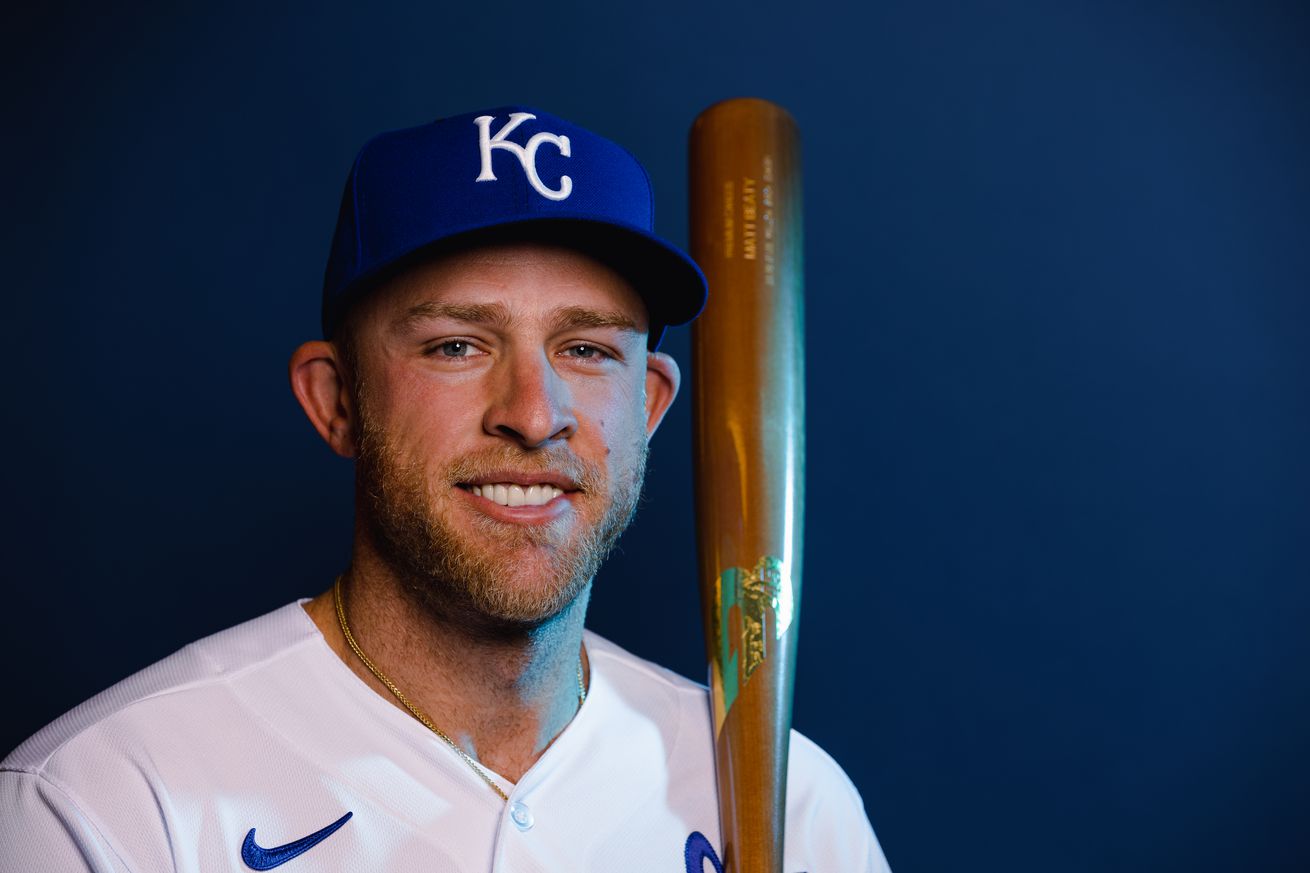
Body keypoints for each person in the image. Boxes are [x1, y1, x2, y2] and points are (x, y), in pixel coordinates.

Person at [0, 106, 891, 872]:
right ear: (336, 398)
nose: (534, 414)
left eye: (586, 348)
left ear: (651, 403)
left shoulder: (793, 807)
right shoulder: (102, 803)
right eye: (456, 345)